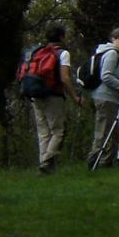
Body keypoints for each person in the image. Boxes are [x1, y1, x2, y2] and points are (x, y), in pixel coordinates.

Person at [27, 23, 83, 175]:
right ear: (62, 37)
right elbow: (64, 78)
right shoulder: (62, 53)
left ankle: (44, 166)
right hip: (54, 95)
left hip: (35, 94)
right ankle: (46, 162)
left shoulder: (37, 51)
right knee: (58, 131)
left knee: (43, 132)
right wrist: (74, 97)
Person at [89, 27, 119, 167]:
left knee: (111, 131)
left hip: (110, 97)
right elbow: (106, 76)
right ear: (113, 39)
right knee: (103, 131)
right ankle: (93, 160)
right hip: (105, 97)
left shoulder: (114, 54)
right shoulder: (112, 54)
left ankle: (107, 161)